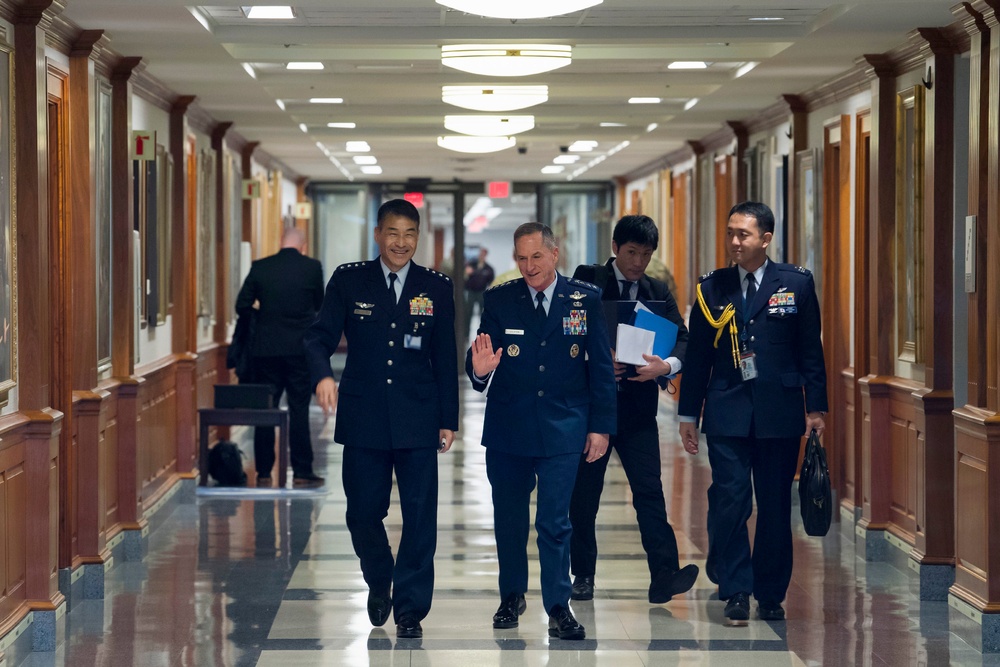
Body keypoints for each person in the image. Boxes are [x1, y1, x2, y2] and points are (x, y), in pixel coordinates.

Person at [303, 199, 459, 640]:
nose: (402, 242)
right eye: (393, 233)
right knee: (362, 513)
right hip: (363, 416)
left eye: (410, 234)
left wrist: (449, 418)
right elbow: (318, 338)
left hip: (418, 416)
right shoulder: (350, 280)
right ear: (378, 234)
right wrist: (322, 378)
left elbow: (444, 355)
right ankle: (378, 575)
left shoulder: (436, 287)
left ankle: (410, 608)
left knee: (419, 515)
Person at [678, 201, 827, 626]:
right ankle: (736, 589)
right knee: (730, 501)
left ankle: (771, 592)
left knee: (776, 506)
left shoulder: (795, 283)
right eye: (730, 233)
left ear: (765, 238)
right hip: (726, 410)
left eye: (743, 234)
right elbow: (700, 357)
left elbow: (809, 350)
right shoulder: (713, 287)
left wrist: (816, 407)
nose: (734, 242)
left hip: (779, 413)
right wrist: (688, 415)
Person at [467, 222, 616, 641]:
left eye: (536, 257)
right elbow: (480, 354)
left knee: (554, 522)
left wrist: (601, 428)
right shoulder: (499, 298)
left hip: (564, 426)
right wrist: (477, 373)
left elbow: (601, 370)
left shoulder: (583, 299)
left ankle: (558, 606)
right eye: (520, 258)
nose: (528, 266)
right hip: (508, 428)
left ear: (554, 254)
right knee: (510, 520)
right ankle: (511, 596)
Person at [569, 214, 699, 604]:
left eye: (645, 254)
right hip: (593, 411)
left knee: (649, 493)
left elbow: (683, 339)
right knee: (584, 498)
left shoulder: (657, 291)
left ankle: (664, 575)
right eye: (631, 252)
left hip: (639, 411)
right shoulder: (586, 280)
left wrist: (666, 366)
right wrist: (596, 357)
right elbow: (568, 331)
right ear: (615, 248)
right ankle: (583, 575)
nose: (638, 262)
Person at [235, 226, 325, 488]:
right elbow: (319, 304)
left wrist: (262, 319)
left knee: (266, 410)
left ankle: (264, 472)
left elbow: (242, 304)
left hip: (266, 351)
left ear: (280, 242)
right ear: (303, 245)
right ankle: (302, 471)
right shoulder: (312, 267)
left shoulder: (261, 267)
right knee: (299, 410)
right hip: (300, 351)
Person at [464, 246, 495, 336]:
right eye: (480, 254)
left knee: (483, 314)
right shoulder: (471, 265)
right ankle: (466, 335)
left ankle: (483, 334)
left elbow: (491, 282)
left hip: (481, 292)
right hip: (471, 292)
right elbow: (464, 277)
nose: (481, 256)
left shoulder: (488, 268)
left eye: (483, 254)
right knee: (468, 313)